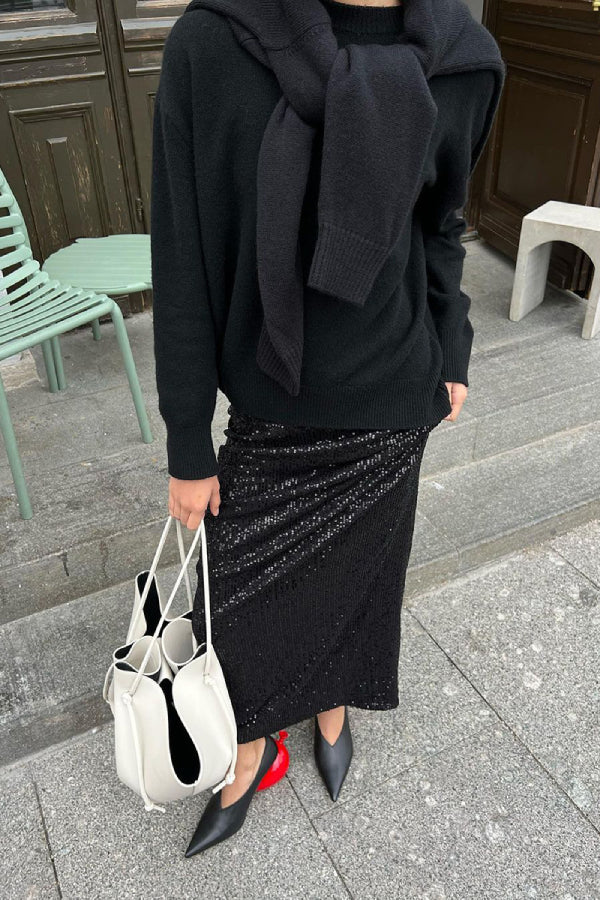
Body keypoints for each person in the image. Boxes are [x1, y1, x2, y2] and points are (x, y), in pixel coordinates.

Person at [150, 0, 504, 857]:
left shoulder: (461, 59)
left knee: (360, 584)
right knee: (239, 606)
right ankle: (248, 750)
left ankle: (333, 706)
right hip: (270, 406)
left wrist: (452, 348)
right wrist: (188, 440)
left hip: (391, 404)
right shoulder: (217, 40)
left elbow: (440, 228)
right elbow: (182, 250)